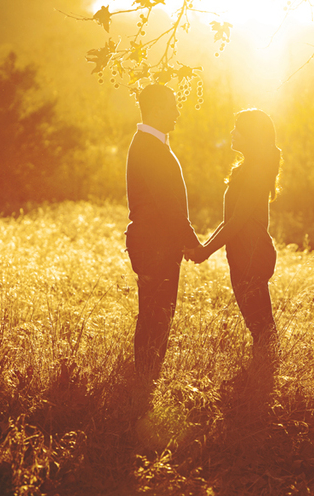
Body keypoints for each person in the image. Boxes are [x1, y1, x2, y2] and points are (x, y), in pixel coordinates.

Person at [185, 108, 280, 372]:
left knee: (261, 327)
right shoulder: (247, 168)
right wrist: (203, 247)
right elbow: (229, 223)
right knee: (258, 325)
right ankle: (262, 375)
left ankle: (265, 378)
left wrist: (204, 251)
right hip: (243, 254)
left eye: (237, 128)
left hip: (253, 255)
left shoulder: (257, 171)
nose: (231, 132)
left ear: (251, 135)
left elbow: (236, 223)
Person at [125, 84, 201, 382]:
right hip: (154, 245)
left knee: (155, 314)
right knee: (157, 316)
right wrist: (193, 244)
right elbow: (168, 206)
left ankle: (145, 379)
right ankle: (146, 380)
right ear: (156, 110)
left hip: (156, 244)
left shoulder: (149, 143)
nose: (177, 112)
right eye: (172, 106)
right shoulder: (149, 147)